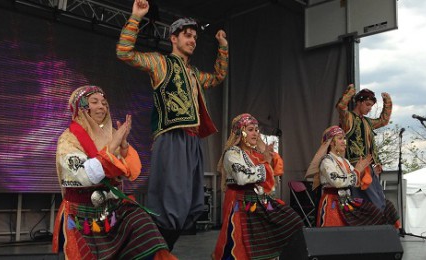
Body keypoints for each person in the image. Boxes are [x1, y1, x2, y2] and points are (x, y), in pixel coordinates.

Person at [116, 0, 229, 251]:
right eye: (187, 36)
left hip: (192, 141)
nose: (193, 40)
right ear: (174, 38)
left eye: (195, 38)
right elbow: (124, 53)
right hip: (172, 138)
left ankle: (160, 252)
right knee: (169, 207)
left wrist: (223, 46)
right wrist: (136, 16)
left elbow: (219, 76)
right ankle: (149, 252)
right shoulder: (161, 63)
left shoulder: (194, 73)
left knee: (191, 205)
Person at [53, 85, 174, 259]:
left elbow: (131, 171)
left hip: (114, 209)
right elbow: (83, 175)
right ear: (81, 109)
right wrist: (111, 147)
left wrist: (123, 147)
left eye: (104, 102)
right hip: (81, 214)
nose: (102, 106)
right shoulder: (68, 139)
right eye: (94, 102)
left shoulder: (113, 134)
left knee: (145, 228)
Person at [212, 113, 303, 260]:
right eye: (250, 129)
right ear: (241, 132)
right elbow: (242, 177)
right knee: (241, 242)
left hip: (261, 201)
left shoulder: (255, 154)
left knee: (292, 221)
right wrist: (264, 165)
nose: (255, 133)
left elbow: (273, 175)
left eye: (256, 129)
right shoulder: (232, 153)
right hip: (240, 202)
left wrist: (267, 160)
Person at [336, 84, 400, 228]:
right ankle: (375, 230)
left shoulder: (367, 122)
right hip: (356, 167)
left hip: (369, 167)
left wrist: (387, 103)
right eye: (367, 104)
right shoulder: (349, 119)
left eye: (371, 106)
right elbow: (341, 108)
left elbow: (383, 121)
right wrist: (349, 94)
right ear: (358, 102)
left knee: (379, 200)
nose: (369, 108)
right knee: (370, 201)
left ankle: (378, 229)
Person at [306, 125, 392, 227]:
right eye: (340, 139)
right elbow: (337, 182)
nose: (344, 142)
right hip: (332, 202)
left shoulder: (344, 161)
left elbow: (355, 181)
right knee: (335, 232)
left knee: (375, 211)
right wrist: (357, 171)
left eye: (344, 139)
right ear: (332, 143)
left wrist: (366, 171)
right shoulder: (327, 162)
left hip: (346, 201)